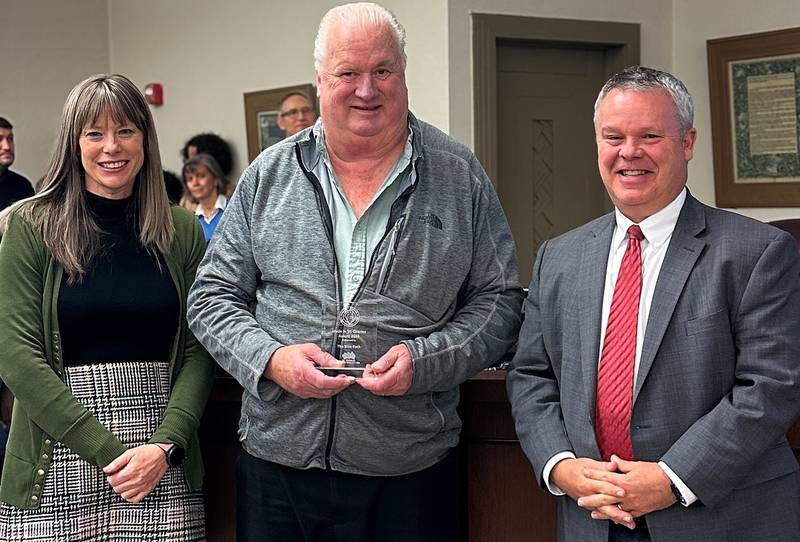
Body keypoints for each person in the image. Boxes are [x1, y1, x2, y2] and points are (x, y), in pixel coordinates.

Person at [187, 3, 523, 541]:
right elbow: (211, 298)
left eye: (383, 71)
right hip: (278, 468)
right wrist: (271, 359)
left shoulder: (459, 175)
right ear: (321, 80)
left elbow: (500, 302)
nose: (367, 89)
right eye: (348, 73)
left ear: (403, 76)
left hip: (411, 470)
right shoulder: (269, 176)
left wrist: (424, 361)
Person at [506, 65, 800, 542]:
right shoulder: (558, 256)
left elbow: (770, 387)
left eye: (649, 136)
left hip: (716, 516)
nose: (629, 153)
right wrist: (561, 467)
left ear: (687, 143)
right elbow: (531, 376)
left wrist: (670, 480)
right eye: (613, 136)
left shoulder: (757, 253)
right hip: (594, 519)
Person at [0, 74, 215, 541]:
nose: (110, 147)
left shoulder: (182, 230)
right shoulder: (30, 227)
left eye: (125, 131)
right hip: (56, 458)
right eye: (94, 133)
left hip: (162, 463)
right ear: (73, 143)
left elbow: (200, 348)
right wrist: (106, 451)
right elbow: (16, 356)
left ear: (145, 139)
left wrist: (165, 446)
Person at [0, 116, 34, 474]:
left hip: (14, 299)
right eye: (0, 139)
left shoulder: (22, 187)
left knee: (15, 401)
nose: (7, 146)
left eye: (10, 138)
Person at [182, 153, 229, 241]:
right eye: (190, 179)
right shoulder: (191, 222)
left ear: (216, 179)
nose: (195, 183)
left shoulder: (233, 207)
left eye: (201, 176)